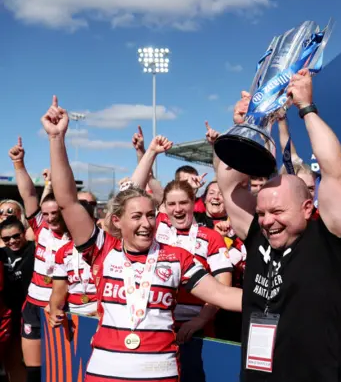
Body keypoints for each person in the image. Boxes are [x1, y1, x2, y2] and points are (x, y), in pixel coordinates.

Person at [43, 95, 242, 382]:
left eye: (151, 216)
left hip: (161, 374)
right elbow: (68, 203)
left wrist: (280, 299)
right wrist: (56, 139)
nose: (146, 224)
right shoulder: (102, 248)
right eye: (136, 217)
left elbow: (223, 295)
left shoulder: (176, 256)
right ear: (117, 221)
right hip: (104, 374)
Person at [216, 68, 341, 382]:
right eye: (262, 213)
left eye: (277, 211)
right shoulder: (258, 236)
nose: (266, 221)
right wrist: (248, 125)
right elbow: (228, 187)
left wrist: (306, 109)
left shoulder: (330, 237)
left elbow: (335, 171)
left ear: (308, 207)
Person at [8, 132, 71, 382]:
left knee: (62, 371)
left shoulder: (78, 238)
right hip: (33, 306)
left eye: (56, 212)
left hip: (61, 309)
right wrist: (18, 164)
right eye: (46, 214)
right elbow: (29, 196)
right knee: (34, 372)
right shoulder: (41, 229)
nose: (51, 217)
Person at [0, 216, 34, 382]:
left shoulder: (34, 250)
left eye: (16, 236)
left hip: (32, 313)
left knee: (32, 363)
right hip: (9, 315)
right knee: (12, 361)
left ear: (24, 233)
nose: (12, 241)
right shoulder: (1, 254)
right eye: (6, 238)